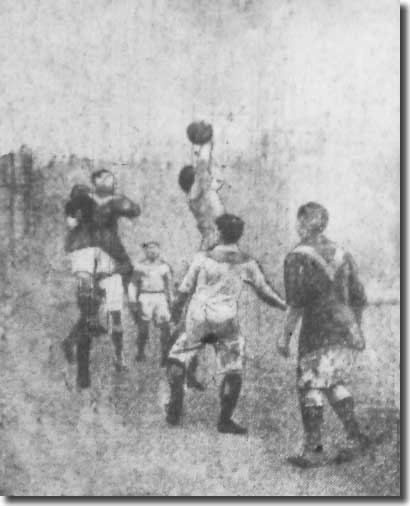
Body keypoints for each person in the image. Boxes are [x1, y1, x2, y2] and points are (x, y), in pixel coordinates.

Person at [166, 213, 287, 434]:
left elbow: (184, 290)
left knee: (178, 356)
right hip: (225, 319)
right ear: (238, 235)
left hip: (198, 316)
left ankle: (175, 406)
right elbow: (264, 291)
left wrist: (175, 313)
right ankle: (224, 420)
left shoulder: (203, 257)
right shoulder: (247, 262)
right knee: (233, 369)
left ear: (219, 232)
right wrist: (283, 305)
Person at [277, 202, 369, 467]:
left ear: (305, 223)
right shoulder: (344, 253)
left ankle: (313, 450)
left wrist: (285, 337)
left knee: (310, 386)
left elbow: (296, 303)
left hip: (317, 330)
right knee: (332, 382)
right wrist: (357, 328)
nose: (296, 226)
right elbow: (360, 297)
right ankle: (355, 437)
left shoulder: (297, 256)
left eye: (299, 221)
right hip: (345, 329)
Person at [128, 241, 173, 366]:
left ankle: (165, 355)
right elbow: (133, 283)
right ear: (145, 251)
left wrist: (171, 300)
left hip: (160, 297)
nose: (152, 251)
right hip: (145, 297)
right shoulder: (139, 266)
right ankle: (140, 353)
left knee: (165, 328)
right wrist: (132, 299)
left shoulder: (164, 267)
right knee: (143, 328)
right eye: (149, 249)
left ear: (159, 250)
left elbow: (169, 286)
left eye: (155, 249)